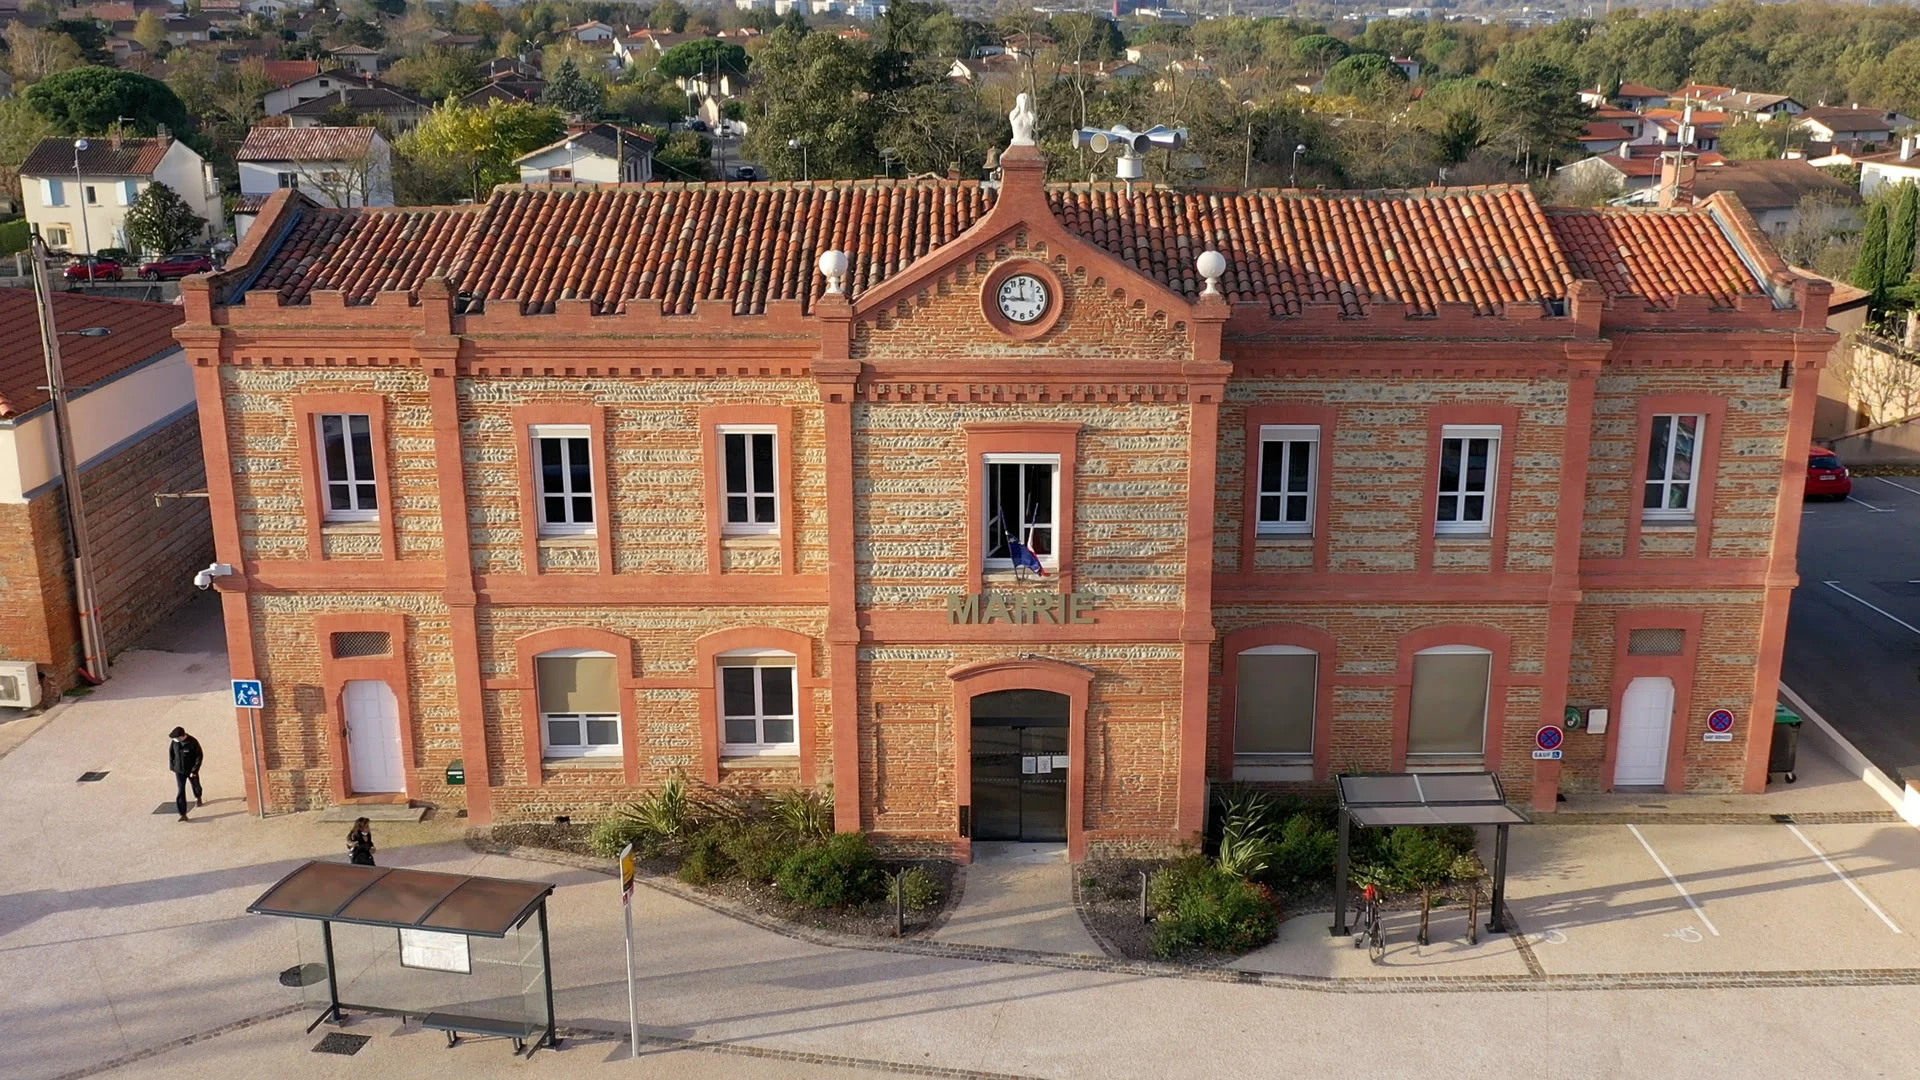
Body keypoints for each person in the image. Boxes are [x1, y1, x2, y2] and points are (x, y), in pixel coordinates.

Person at [168, 726, 203, 822]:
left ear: (182, 736)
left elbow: (199, 756)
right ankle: (183, 813)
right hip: (179, 771)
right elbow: (171, 753)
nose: (175, 740)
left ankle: (198, 796)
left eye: (176, 738)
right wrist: (173, 766)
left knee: (196, 785)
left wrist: (195, 770)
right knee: (181, 791)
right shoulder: (175, 742)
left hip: (191, 770)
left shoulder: (193, 742)